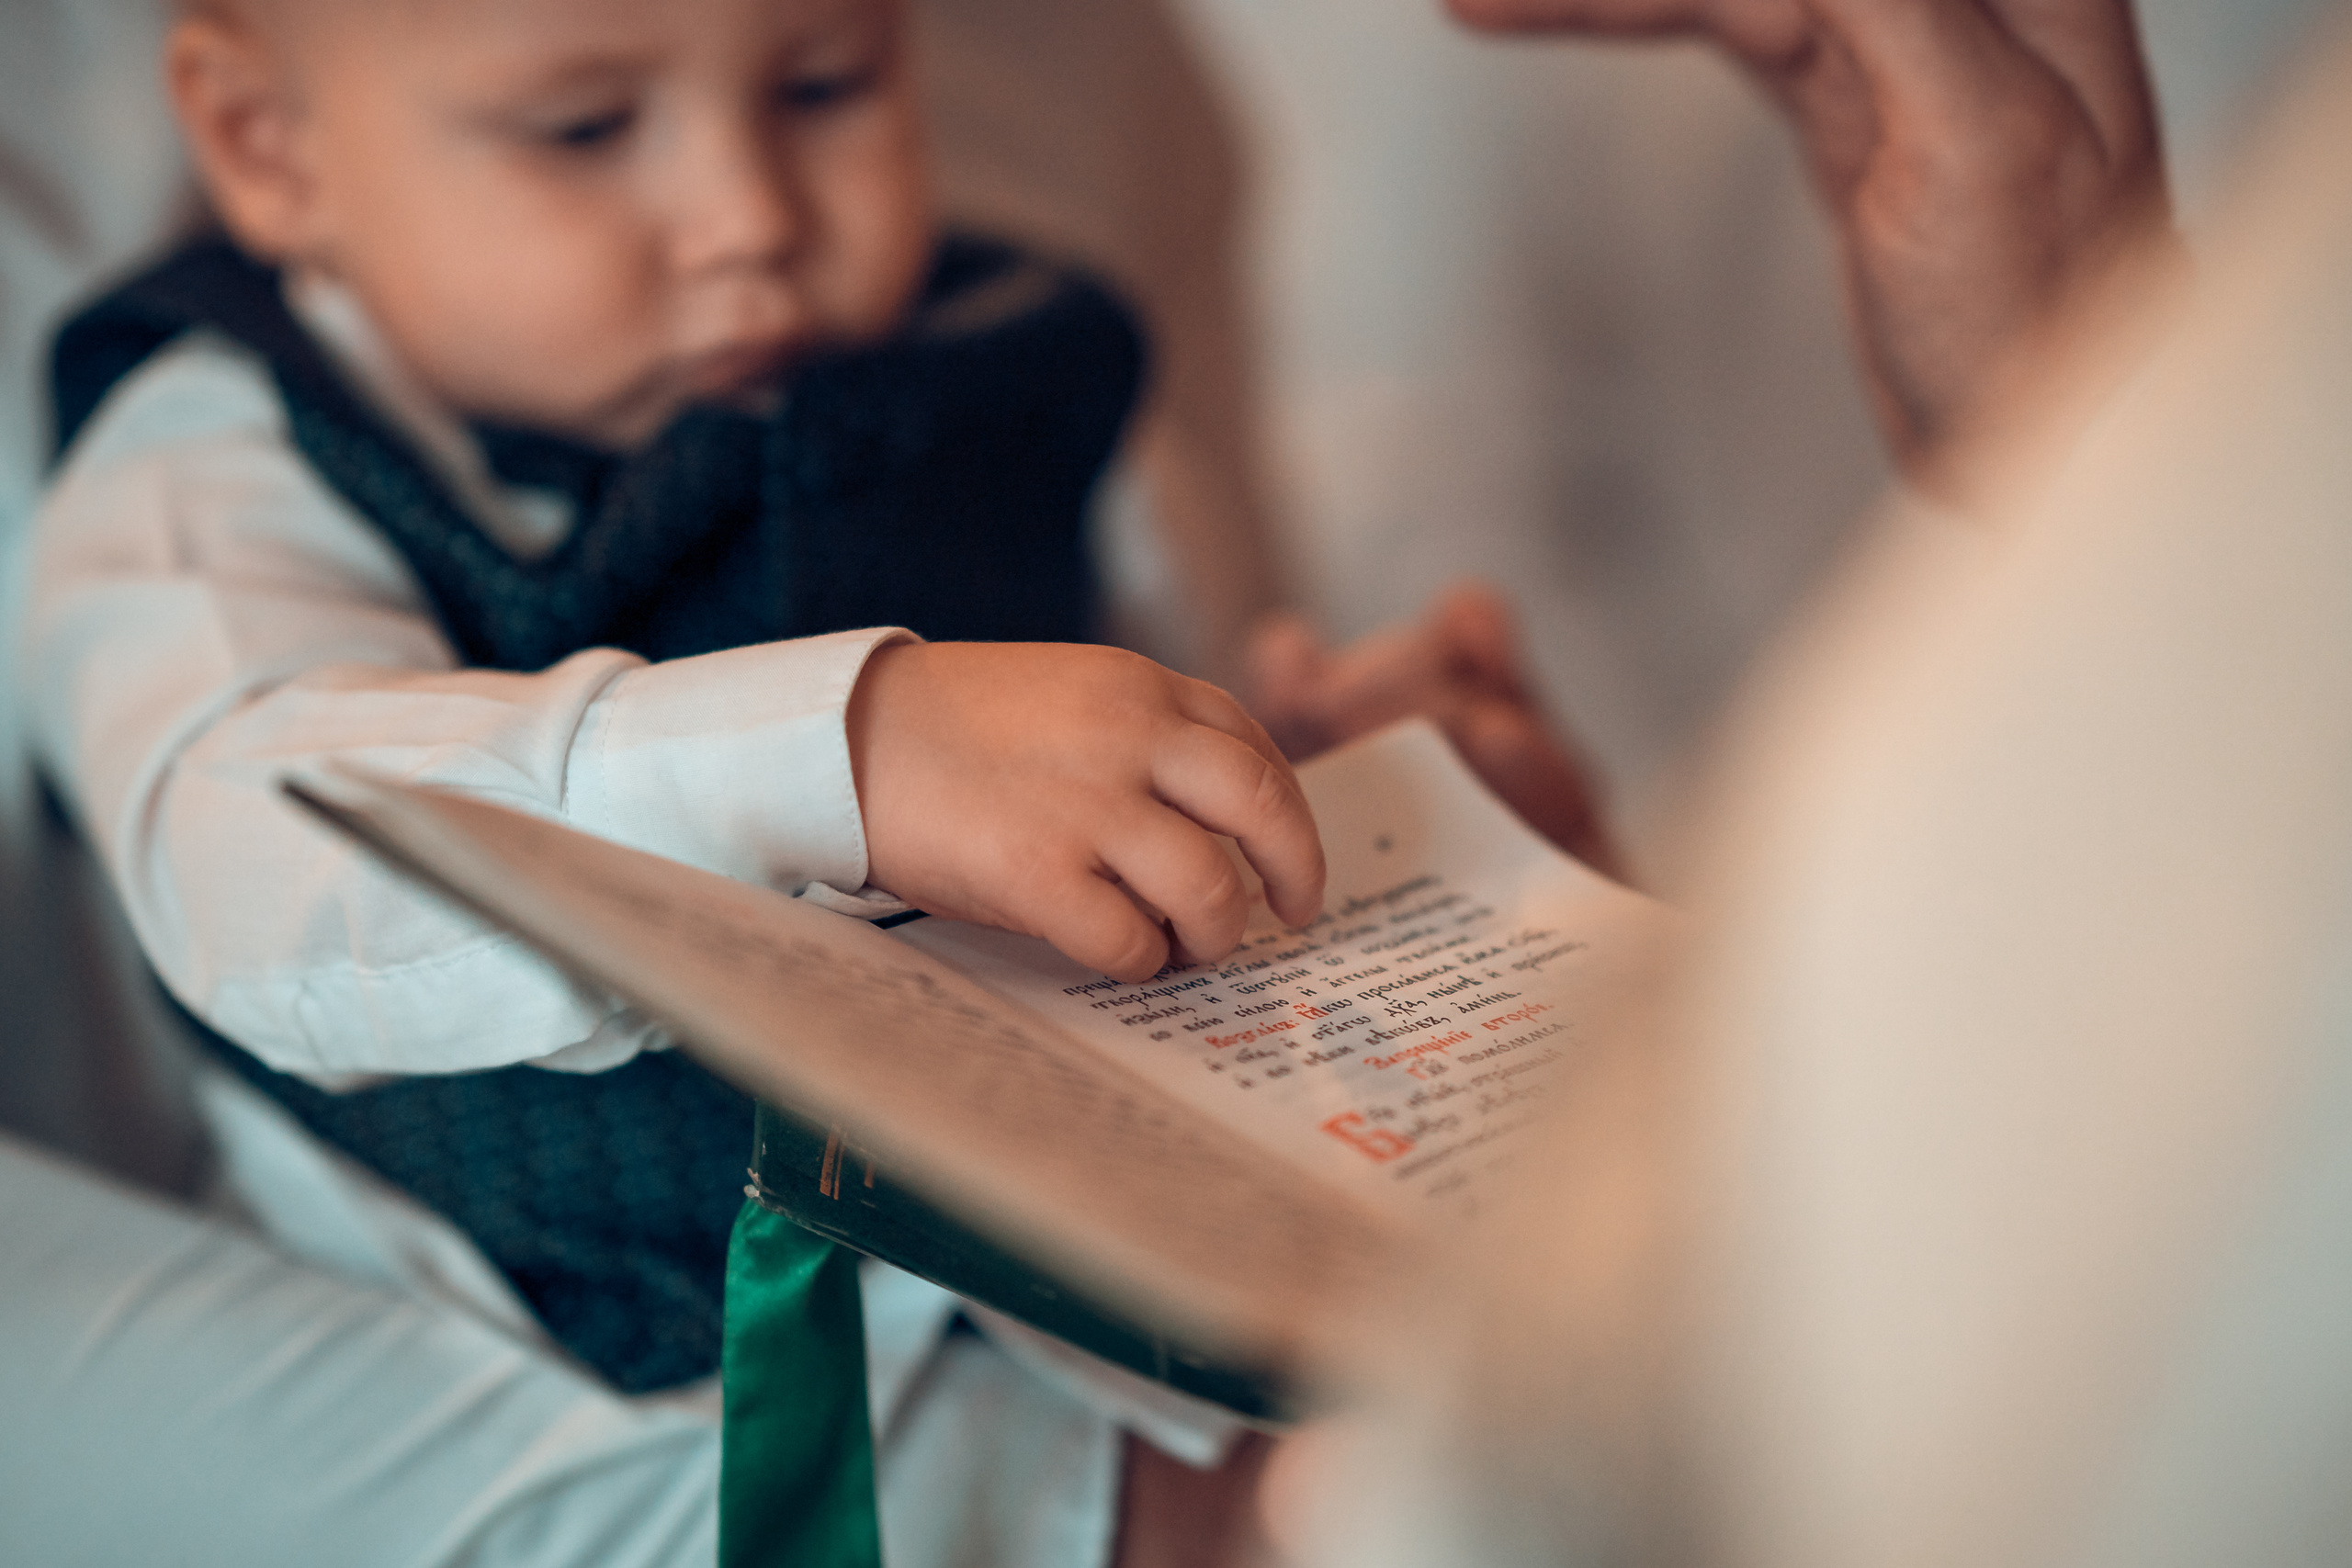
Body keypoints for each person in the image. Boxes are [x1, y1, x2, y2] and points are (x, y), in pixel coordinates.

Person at [22, 0, 1323, 1561]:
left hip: (1122, 1306)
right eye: (583, 129)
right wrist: (836, 755)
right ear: (266, 144)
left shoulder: (993, 363)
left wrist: (1289, 781)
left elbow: (1129, 714)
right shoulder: (217, 469)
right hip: (584, 1405)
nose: (751, 219)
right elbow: (257, 849)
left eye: (827, 83)